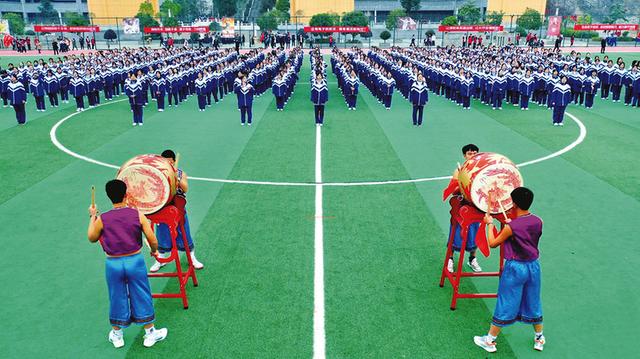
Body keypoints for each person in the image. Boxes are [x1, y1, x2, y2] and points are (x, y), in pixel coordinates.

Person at [87, 179, 168, 348]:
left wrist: (92, 216)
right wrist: (154, 251)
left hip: (113, 264)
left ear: (109, 197)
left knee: (116, 296)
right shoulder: (137, 214)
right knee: (141, 294)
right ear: (126, 194)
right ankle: (150, 333)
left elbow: (92, 237)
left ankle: (117, 335)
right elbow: (152, 238)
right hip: (135, 261)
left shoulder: (103, 219)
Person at [474, 187, 544, 353]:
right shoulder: (538, 221)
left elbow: (492, 243)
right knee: (534, 301)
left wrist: (489, 225)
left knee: (506, 302)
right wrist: (511, 227)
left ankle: (490, 341)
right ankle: (539, 338)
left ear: (514, 204)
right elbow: (524, 232)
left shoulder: (510, 227)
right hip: (533, 267)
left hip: (515, 269)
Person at [150, 150, 204, 272]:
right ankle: (160, 259)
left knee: (184, 232)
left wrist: (177, 180)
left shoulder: (180, 173)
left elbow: (185, 189)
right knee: (162, 233)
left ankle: (192, 257)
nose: (167, 163)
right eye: (164, 161)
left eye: (169, 161)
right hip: (162, 208)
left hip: (177, 209)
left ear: (174, 161)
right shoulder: (158, 174)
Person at [447, 144, 482, 273]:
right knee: (455, 233)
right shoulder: (459, 170)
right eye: (469, 153)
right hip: (460, 208)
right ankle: (450, 259)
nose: (472, 156)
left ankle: (472, 259)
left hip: (475, 207)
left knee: (475, 233)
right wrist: (462, 186)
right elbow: (453, 190)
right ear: (464, 155)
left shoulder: (480, 170)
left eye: (474, 153)